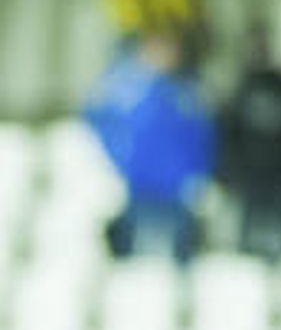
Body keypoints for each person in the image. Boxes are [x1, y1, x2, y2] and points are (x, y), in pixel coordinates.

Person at [82, 30, 217, 264]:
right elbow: (97, 121)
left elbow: (202, 137)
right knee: (132, 263)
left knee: (177, 259)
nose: (164, 57)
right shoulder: (125, 91)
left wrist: (195, 171)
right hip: (138, 186)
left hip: (175, 190)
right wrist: (121, 159)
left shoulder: (186, 93)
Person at [217, 26, 281, 263]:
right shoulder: (238, 92)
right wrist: (229, 174)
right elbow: (228, 136)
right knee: (247, 250)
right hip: (250, 180)